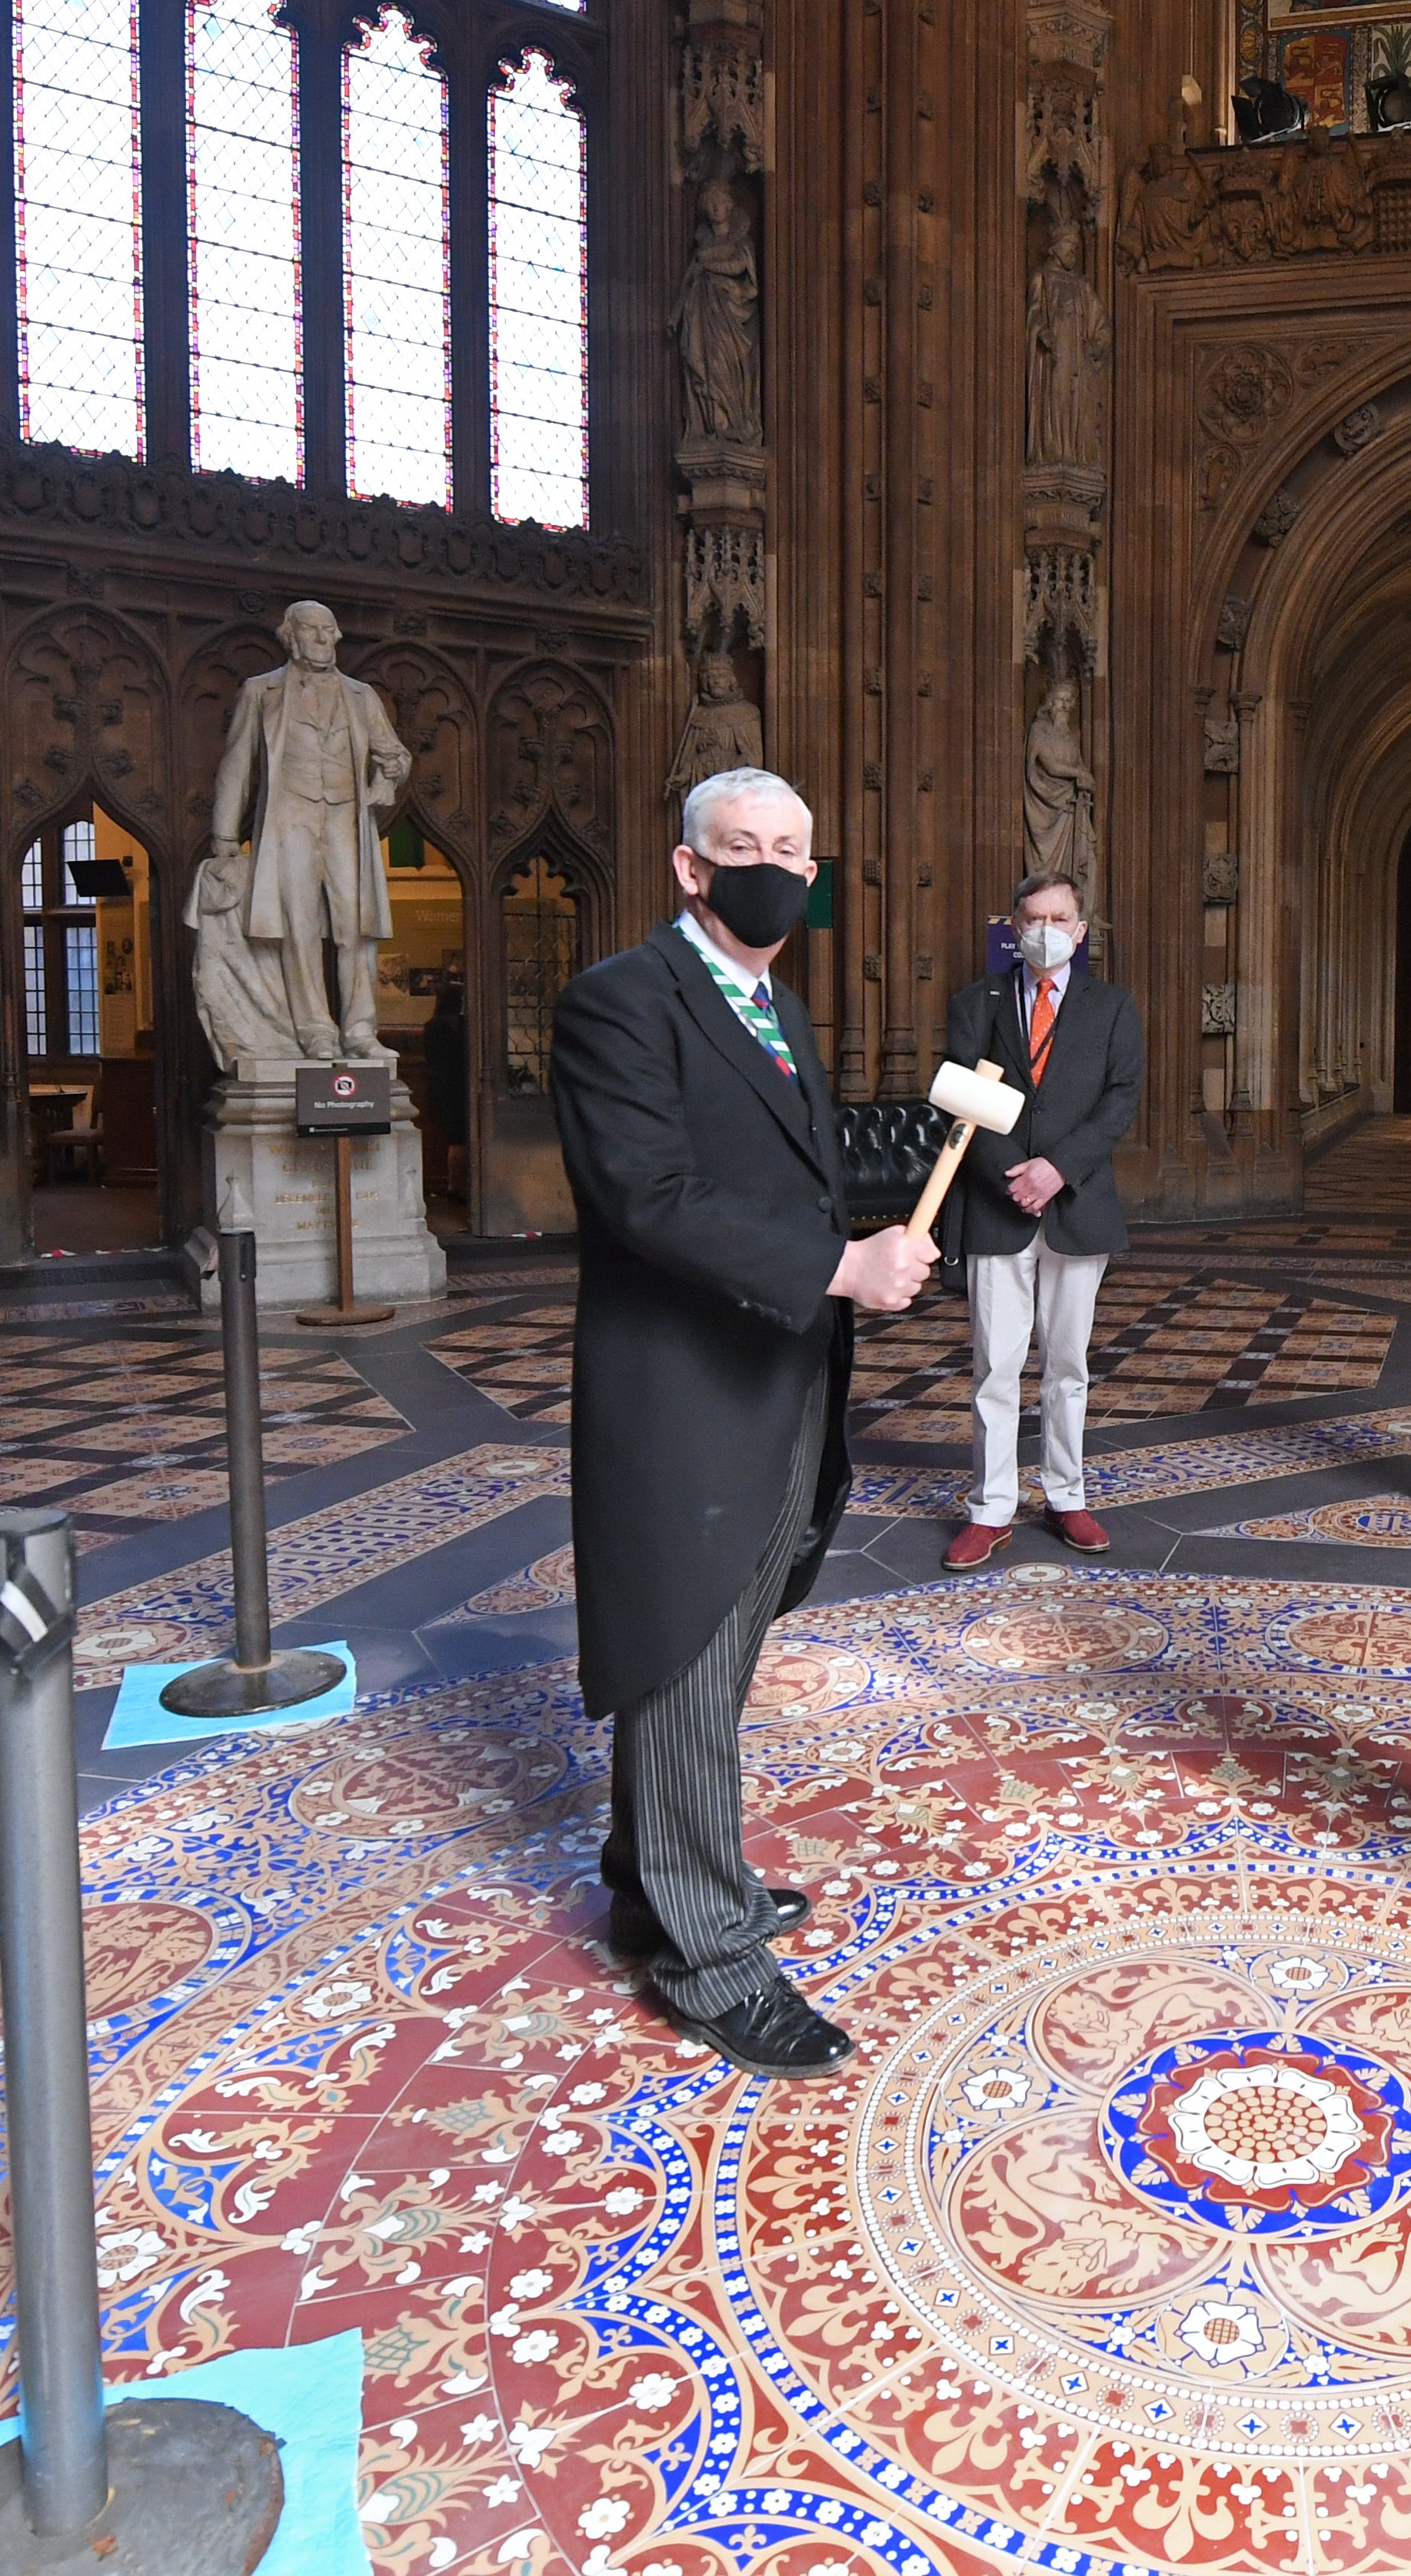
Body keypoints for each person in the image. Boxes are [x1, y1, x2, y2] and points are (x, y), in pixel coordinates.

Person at [551, 766, 938, 2076]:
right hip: (681, 1391)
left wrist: (876, 1234)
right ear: (688, 866)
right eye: (743, 846)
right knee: (685, 1642)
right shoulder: (620, 1000)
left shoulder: (773, 1002)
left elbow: (780, 1173)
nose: (771, 866)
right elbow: (648, 1197)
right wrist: (841, 1267)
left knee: (711, 1651)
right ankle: (708, 1957)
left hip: (773, 1377)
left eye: (793, 847)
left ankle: (648, 1877)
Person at [940, 874, 1143, 1570]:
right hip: (997, 1205)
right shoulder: (977, 1002)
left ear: (1081, 929)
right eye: (1033, 918)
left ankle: (1067, 1496)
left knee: (1068, 1365)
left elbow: (1119, 1102)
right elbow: (961, 1096)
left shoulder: (1113, 1007)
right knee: (995, 1365)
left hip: (1077, 1204)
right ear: (1013, 927)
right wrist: (1015, 1175)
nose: (1046, 928)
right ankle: (990, 1507)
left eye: (1060, 917)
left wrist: (1056, 1169)